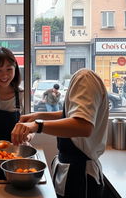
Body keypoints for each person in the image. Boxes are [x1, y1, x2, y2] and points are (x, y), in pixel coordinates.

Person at [11, 69, 109, 198]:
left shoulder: (84, 78)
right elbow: (70, 115)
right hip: (70, 169)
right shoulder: (80, 78)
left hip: (81, 175)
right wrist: (39, 116)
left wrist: (37, 126)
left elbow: (84, 126)